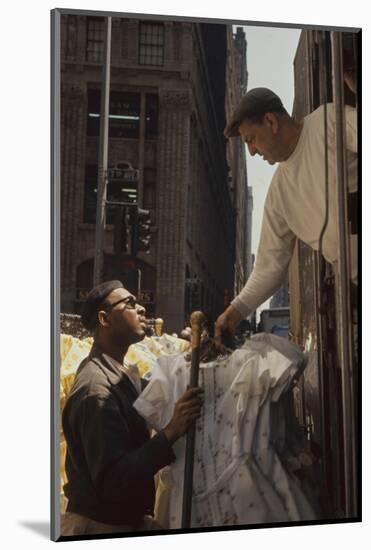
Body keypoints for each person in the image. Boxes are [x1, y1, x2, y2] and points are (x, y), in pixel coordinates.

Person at [214, 87, 357, 346]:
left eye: (251, 139)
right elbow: (269, 268)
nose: (252, 151)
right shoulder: (279, 194)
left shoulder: (327, 121)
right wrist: (233, 314)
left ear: (271, 121)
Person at [61, 280, 203, 536]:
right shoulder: (96, 390)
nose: (142, 309)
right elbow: (115, 481)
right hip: (100, 527)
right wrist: (171, 431)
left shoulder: (116, 372)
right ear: (105, 319)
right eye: (130, 304)